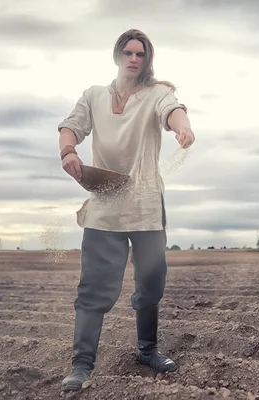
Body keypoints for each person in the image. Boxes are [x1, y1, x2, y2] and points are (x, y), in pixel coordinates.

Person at [56, 28, 195, 392]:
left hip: (146, 208)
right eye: (129, 52)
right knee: (94, 290)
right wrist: (68, 152)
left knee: (151, 285)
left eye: (141, 54)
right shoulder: (94, 96)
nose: (134, 59)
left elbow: (173, 111)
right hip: (105, 208)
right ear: (117, 54)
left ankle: (148, 350)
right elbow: (71, 127)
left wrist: (183, 128)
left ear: (147, 60)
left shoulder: (157, 95)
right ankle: (81, 365)